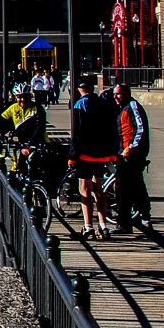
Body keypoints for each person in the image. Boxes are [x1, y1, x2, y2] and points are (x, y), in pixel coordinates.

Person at [70, 74, 121, 239]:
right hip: (102, 154)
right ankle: (103, 225)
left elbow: (77, 132)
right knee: (98, 189)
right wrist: (112, 152)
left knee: (84, 189)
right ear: (92, 88)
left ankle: (88, 226)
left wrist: (73, 154)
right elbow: (113, 130)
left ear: (78, 89)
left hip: (85, 154)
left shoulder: (79, 105)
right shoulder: (105, 104)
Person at [115, 79, 153, 232]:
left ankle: (125, 222)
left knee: (123, 187)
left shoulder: (132, 106)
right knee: (135, 185)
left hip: (131, 154)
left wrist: (130, 148)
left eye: (119, 94)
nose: (116, 97)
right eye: (115, 94)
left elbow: (140, 129)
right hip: (124, 152)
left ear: (126, 94)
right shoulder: (122, 108)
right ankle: (141, 216)